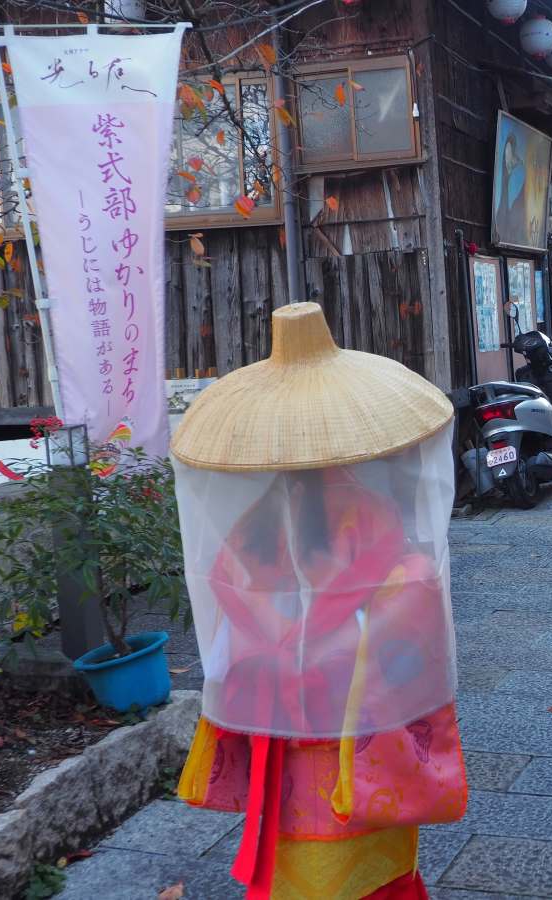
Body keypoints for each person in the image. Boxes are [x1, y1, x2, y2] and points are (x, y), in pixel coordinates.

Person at [170, 303, 466, 900]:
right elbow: (406, 624)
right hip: (360, 744)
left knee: (298, 870)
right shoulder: (376, 524)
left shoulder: (250, 533)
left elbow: (231, 631)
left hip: (281, 736)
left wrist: (283, 647)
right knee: (366, 869)